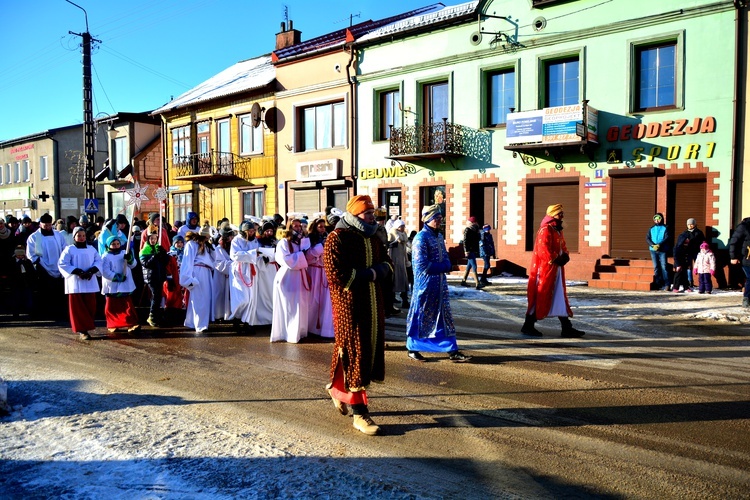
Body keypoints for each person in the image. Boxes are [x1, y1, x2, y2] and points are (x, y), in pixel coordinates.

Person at [323, 195, 392, 436]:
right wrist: (371, 274)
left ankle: (337, 388)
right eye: (367, 213)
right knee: (355, 352)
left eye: (373, 212)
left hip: (372, 303)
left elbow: (387, 262)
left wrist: (382, 270)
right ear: (354, 215)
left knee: (359, 350)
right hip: (349, 305)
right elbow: (336, 274)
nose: (372, 216)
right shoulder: (337, 238)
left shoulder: (373, 236)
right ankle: (359, 413)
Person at [406, 204, 472, 363]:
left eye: (440, 216)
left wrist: (448, 264)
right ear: (427, 219)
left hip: (440, 286)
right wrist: (446, 267)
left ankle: (452, 350)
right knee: (422, 317)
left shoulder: (438, 236)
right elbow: (422, 265)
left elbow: (445, 257)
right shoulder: (420, 238)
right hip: (425, 286)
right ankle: (413, 347)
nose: (439, 219)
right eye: (436, 217)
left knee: (444, 318)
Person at [521, 204, 585, 338]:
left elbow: (563, 245)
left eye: (562, 213)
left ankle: (566, 327)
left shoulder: (557, 229)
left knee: (559, 296)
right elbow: (543, 249)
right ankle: (528, 325)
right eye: (559, 213)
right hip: (546, 269)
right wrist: (556, 259)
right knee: (541, 295)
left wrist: (565, 255)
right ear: (552, 214)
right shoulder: (546, 229)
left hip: (556, 270)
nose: (562, 216)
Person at [58, 226, 102, 340]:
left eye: (83, 236)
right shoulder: (69, 249)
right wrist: (78, 272)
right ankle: (82, 330)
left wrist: (92, 271)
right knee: (78, 308)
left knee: (90, 306)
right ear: (74, 237)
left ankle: (87, 326)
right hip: (75, 283)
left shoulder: (91, 249)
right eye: (79, 236)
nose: (81, 238)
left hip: (89, 281)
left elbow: (99, 261)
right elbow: (63, 263)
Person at [270, 218, 310, 343]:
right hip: (288, 277)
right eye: (295, 226)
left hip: (300, 275)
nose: (298, 228)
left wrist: (306, 254)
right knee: (289, 306)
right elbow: (286, 260)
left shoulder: (302, 241)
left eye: (299, 226)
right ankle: (289, 333)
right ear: (289, 228)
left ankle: (300, 332)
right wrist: (301, 255)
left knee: (301, 304)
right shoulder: (283, 242)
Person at [26, 213, 67, 319]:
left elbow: (64, 248)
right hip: (43, 267)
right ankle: (47, 313)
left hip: (58, 267)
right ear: (40, 224)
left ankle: (60, 312)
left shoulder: (58, 235)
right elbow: (31, 254)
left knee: (59, 292)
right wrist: (39, 264)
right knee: (46, 292)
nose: (48, 227)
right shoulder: (34, 237)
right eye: (45, 225)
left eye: (49, 225)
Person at [100, 235, 140, 333]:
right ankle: (113, 324)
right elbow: (105, 271)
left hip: (125, 284)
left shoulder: (124, 253)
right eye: (113, 244)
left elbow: (133, 265)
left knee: (127, 305)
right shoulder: (105, 256)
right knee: (112, 306)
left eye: (117, 243)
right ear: (109, 245)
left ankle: (131, 323)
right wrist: (116, 277)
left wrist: (130, 258)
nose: (116, 246)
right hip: (112, 285)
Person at [179, 226, 216, 334]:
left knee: (202, 298)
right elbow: (188, 261)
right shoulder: (192, 244)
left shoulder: (207, 246)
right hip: (198, 272)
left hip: (206, 272)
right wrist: (187, 278)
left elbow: (214, 259)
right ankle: (201, 324)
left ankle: (191, 322)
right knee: (200, 298)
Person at [228, 220, 259, 333]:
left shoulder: (254, 240)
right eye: (250, 231)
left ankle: (247, 322)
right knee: (242, 298)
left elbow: (256, 253)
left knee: (251, 298)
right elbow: (235, 255)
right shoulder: (236, 240)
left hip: (251, 271)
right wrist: (253, 254)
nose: (252, 233)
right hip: (239, 271)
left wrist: (261, 255)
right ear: (244, 231)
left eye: (253, 231)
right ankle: (236, 317)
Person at [305, 217, 334, 339]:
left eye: (324, 227)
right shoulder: (309, 239)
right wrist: (320, 248)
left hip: (324, 272)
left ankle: (323, 328)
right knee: (313, 300)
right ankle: (311, 327)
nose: (322, 229)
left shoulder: (327, 238)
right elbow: (307, 256)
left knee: (325, 301)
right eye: (320, 227)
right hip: (314, 271)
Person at [139, 230, 170, 328]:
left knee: (158, 296)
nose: (153, 240)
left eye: (155, 238)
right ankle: (152, 316)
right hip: (151, 277)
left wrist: (164, 254)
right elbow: (146, 264)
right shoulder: (144, 251)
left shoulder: (158, 248)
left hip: (159, 276)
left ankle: (156, 315)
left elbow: (165, 262)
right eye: (151, 238)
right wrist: (154, 257)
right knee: (156, 296)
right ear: (148, 239)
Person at [251, 220, 278, 326]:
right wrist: (263, 259)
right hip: (263, 271)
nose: (269, 233)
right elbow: (255, 255)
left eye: (271, 231)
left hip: (273, 270)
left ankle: (272, 318)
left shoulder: (275, 242)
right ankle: (262, 319)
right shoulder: (258, 242)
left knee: (272, 294)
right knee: (263, 294)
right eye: (267, 231)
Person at [675, 218, 705, 289]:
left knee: (699, 266)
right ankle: (690, 281)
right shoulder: (685, 233)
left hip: (697, 252)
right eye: (688, 224)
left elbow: (703, 241)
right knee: (688, 267)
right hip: (688, 252)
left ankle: (701, 281)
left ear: (694, 224)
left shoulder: (699, 233)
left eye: (691, 224)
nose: (690, 226)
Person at [213, 225, 235, 322]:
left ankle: (229, 314)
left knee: (230, 296)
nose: (231, 239)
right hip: (221, 276)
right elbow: (218, 263)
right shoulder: (217, 250)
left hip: (231, 276)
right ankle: (219, 315)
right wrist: (232, 265)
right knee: (220, 294)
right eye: (229, 237)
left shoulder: (233, 248)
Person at [387, 219, 410, 308]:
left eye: (404, 226)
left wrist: (406, 260)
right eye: (402, 226)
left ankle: (404, 299)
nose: (404, 228)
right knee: (394, 280)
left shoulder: (404, 235)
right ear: (398, 227)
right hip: (394, 261)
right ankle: (392, 300)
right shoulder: (392, 234)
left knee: (404, 281)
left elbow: (404, 250)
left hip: (402, 261)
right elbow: (388, 248)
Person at [728, 215, 750, 307]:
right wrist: (733, 257)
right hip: (747, 258)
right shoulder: (744, 226)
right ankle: (747, 299)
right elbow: (733, 242)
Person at [9, 245, 35, 318]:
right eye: (18, 255)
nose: (20, 257)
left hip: (26, 283)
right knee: (16, 299)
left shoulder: (27, 262)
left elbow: (32, 272)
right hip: (16, 283)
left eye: (21, 255)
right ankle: (15, 314)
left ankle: (30, 313)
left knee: (28, 299)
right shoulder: (11, 262)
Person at [647, 213, 670, 291]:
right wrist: (653, 245)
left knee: (664, 267)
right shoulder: (651, 228)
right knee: (656, 267)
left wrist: (659, 245)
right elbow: (648, 238)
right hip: (653, 250)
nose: (657, 220)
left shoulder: (665, 228)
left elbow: (667, 237)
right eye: (655, 219)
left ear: (661, 219)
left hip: (662, 250)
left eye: (658, 218)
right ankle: (658, 284)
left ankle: (667, 284)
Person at [461, 216, 484, 289]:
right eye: (473, 222)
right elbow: (465, 241)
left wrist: (478, 233)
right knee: (474, 266)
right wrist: (466, 251)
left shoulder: (475, 230)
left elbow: (478, 239)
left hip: (473, 250)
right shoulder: (467, 230)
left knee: (469, 266)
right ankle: (477, 283)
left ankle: (463, 281)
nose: (475, 223)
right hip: (469, 251)